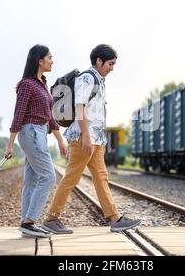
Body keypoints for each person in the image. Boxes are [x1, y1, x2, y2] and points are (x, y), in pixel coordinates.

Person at [42, 44, 141, 234]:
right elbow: (80, 107)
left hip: (96, 139)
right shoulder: (87, 78)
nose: (111, 68)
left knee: (101, 178)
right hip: (83, 138)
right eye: (110, 64)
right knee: (71, 177)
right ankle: (51, 218)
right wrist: (85, 136)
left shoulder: (99, 79)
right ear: (99, 61)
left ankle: (115, 218)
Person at [5, 44, 67, 237]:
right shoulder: (27, 85)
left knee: (31, 180)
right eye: (49, 57)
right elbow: (18, 115)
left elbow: (50, 117)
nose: (52, 60)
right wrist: (10, 145)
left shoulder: (42, 84)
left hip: (39, 132)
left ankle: (26, 224)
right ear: (39, 60)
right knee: (48, 177)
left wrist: (60, 141)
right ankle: (30, 221)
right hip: (30, 132)